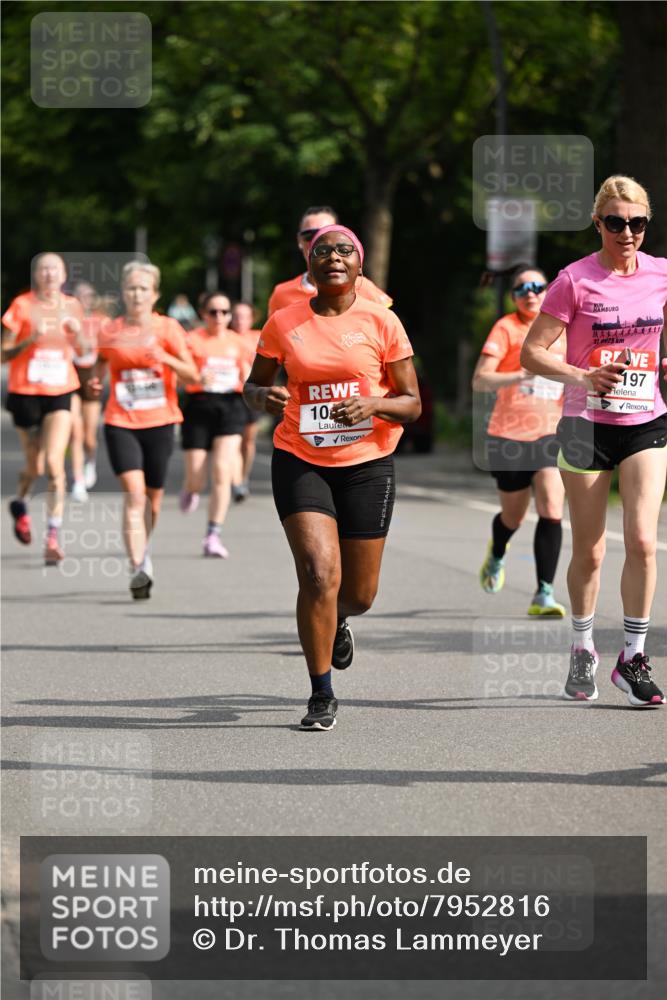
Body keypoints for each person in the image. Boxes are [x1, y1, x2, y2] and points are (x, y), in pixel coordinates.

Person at [244, 225, 421, 730]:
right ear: (311, 265)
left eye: (345, 250)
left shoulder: (382, 321)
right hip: (300, 456)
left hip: (367, 461)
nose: (334, 257)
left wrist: (375, 403)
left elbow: (411, 404)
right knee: (318, 574)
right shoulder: (284, 321)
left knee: (359, 593)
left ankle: (339, 618)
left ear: (359, 266)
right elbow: (253, 386)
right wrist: (263, 397)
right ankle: (321, 692)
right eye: (323, 251)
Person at [521, 175, 667, 707]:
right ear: (598, 223)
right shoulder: (574, 280)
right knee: (590, 548)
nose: (626, 232)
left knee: (644, 540)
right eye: (615, 222)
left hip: (646, 421)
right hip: (585, 426)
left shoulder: (662, 274)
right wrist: (584, 377)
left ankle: (633, 656)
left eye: (637, 223)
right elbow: (532, 353)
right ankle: (583, 645)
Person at [89, 261, 196, 598]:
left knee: (152, 501)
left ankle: (144, 550)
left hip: (161, 422)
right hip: (121, 421)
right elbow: (100, 363)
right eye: (131, 288)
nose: (136, 294)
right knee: (134, 494)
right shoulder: (110, 330)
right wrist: (94, 382)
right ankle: (138, 565)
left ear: (155, 294)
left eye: (143, 289)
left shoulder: (169, 329)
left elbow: (193, 375)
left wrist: (166, 359)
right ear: (123, 293)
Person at [472, 265, 567, 616]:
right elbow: (480, 381)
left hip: (552, 433)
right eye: (522, 288)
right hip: (508, 435)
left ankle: (544, 592)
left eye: (538, 286)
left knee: (552, 507)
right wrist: (520, 373)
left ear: (548, 292)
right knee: (513, 516)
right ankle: (497, 553)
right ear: (513, 296)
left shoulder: (564, 330)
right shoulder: (506, 328)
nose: (530, 292)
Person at [2, 253, 83, 564]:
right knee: (34, 467)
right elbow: (2, 354)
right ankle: (20, 503)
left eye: (55, 269)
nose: (49, 274)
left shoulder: (73, 306)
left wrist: (80, 335)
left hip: (61, 391)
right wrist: (29, 341)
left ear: (63, 275)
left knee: (53, 464)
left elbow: (86, 352)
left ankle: (52, 536)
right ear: (36, 275)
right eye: (43, 269)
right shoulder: (21, 306)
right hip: (25, 393)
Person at [179, 291, 250, 556]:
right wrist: (196, 376)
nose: (218, 317)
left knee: (222, 470)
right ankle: (191, 489)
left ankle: (212, 535)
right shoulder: (191, 341)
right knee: (197, 477)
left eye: (224, 312)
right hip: (199, 406)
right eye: (213, 312)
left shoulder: (238, 342)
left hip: (230, 406)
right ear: (203, 314)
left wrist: (246, 381)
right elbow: (179, 379)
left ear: (230, 316)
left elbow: (248, 376)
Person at [267, 206, 393, 316]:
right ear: (299, 241)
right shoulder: (281, 294)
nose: (316, 242)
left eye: (325, 234)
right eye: (309, 236)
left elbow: (386, 333)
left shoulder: (363, 287)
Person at [69, 281, 104, 501]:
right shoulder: (65, 321)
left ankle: (91, 461)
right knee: (76, 432)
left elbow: (93, 350)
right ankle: (78, 480)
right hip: (71, 377)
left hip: (90, 377)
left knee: (90, 436)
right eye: (79, 296)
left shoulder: (99, 322)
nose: (83, 299)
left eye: (88, 295)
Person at [230, 301, 262, 500]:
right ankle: (235, 482)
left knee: (248, 441)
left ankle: (243, 477)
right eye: (236, 316)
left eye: (244, 316)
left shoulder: (259, 337)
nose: (239, 320)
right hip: (231, 395)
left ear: (251, 319)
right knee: (233, 439)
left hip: (252, 395)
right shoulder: (226, 337)